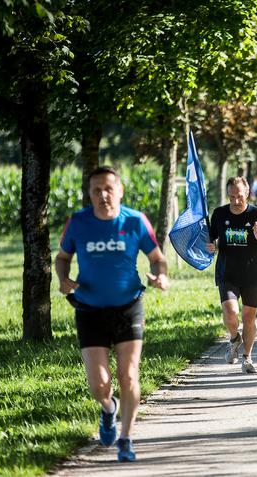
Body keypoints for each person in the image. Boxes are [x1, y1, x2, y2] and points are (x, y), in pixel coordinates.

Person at [55, 166, 169, 462]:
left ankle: (126, 439)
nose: (103, 195)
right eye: (96, 190)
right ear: (89, 193)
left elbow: (157, 258)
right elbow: (63, 257)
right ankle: (108, 409)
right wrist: (63, 278)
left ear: (119, 190)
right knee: (99, 385)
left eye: (108, 188)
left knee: (128, 374)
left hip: (128, 305)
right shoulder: (78, 223)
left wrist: (160, 276)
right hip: (89, 309)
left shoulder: (134, 221)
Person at [206, 177, 257, 374]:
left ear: (248, 194)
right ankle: (235, 337)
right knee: (230, 312)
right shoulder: (219, 214)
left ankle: (247, 357)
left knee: (249, 317)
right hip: (227, 273)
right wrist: (212, 246)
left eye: (240, 196)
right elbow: (213, 241)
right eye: (232, 196)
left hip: (251, 274)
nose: (236, 201)